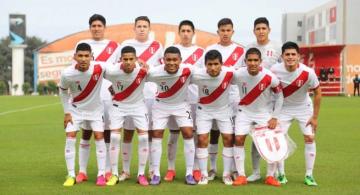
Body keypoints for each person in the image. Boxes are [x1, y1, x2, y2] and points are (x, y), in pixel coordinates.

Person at [75, 14, 121, 183]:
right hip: (88, 97)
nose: (96, 28)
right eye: (93, 25)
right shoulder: (81, 46)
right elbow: (76, 71)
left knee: (107, 133)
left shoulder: (114, 46)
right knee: (86, 133)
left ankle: (107, 170)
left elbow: (118, 70)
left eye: (99, 25)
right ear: (90, 27)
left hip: (108, 96)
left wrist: (115, 88)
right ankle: (82, 171)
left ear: (104, 27)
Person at [271, 41, 321, 186]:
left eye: (293, 54)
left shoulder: (308, 72)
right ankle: (281, 174)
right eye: (287, 54)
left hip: (304, 108)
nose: (290, 57)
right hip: (283, 109)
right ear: (282, 56)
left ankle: (309, 175)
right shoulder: (274, 70)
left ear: (299, 56)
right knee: (278, 140)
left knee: (309, 138)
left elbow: (318, 93)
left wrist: (315, 117)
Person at [119, 16, 164, 181]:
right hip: (131, 95)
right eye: (139, 26)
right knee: (128, 133)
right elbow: (120, 66)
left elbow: (162, 67)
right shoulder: (125, 45)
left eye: (145, 26)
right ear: (134, 28)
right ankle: (125, 170)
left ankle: (152, 170)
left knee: (149, 134)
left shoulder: (157, 45)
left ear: (149, 28)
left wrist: (149, 67)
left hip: (151, 95)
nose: (142, 29)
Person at [232, 48, 283, 187]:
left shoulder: (270, 77)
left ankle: (270, 176)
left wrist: (274, 117)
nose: (253, 63)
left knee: (270, 142)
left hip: (263, 113)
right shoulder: (237, 74)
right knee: (238, 139)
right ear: (245, 61)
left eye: (256, 60)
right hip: (244, 111)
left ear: (260, 61)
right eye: (250, 60)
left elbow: (280, 96)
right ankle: (241, 175)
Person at [147, 46, 196, 185]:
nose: (171, 63)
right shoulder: (154, 72)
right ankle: (156, 173)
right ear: (163, 60)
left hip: (181, 106)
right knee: (156, 134)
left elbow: (206, 74)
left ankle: (189, 173)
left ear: (180, 60)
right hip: (161, 106)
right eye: (168, 60)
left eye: (175, 60)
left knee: (188, 133)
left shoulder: (188, 70)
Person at [60, 43, 107, 186]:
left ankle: (101, 174)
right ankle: (71, 175)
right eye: (80, 56)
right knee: (70, 137)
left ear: (91, 57)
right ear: (75, 57)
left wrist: (139, 65)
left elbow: (119, 69)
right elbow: (62, 91)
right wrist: (67, 112)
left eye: (86, 56)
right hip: (76, 111)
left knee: (99, 137)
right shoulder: (67, 73)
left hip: (95, 110)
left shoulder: (100, 68)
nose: (83, 59)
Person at [203, 18, 244, 180]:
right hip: (214, 98)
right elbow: (202, 70)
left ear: (232, 32)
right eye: (222, 30)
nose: (225, 33)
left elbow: (243, 72)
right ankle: (212, 169)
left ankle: (233, 169)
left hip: (234, 98)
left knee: (231, 135)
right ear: (218, 32)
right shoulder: (210, 49)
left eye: (228, 30)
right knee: (213, 134)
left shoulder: (241, 50)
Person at [164, 19, 204, 182]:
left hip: (194, 99)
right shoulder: (172, 51)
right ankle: (170, 169)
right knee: (173, 134)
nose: (186, 33)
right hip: (175, 99)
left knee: (192, 134)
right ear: (179, 33)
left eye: (189, 31)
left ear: (193, 33)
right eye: (183, 31)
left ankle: (194, 169)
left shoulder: (201, 52)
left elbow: (203, 75)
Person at [104, 46, 150, 186]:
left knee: (143, 138)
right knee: (114, 137)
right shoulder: (112, 71)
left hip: (138, 106)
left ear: (136, 59)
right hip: (119, 106)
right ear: (121, 60)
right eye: (126, 59)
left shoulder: (144, 71)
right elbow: (97, 75)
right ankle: (115, 174)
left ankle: (141, 174)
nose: (128, 62)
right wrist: (113, 91)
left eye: (131, 59)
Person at [246, 17, 282, 182]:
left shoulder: (277, 47)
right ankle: (255, 172)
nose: (261, 31)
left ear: (269, 30)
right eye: (258, 28)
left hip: (272, 98)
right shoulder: (249, 48)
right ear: (254, 31)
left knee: (272, 137)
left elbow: (284, 69)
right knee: (255, 138)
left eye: (263, 28)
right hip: (254, 99)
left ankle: (274, 173)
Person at [192, 50, 235, 185]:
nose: (213, 67)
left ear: (221, 64)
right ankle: (204, 174)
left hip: (224, 111)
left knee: (228, 139)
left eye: (216, 64)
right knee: (202, 139)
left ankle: (227, 174)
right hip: (204, 111)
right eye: (209, 64)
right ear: (205, 65)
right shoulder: (196, 75)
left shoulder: (230, 73)